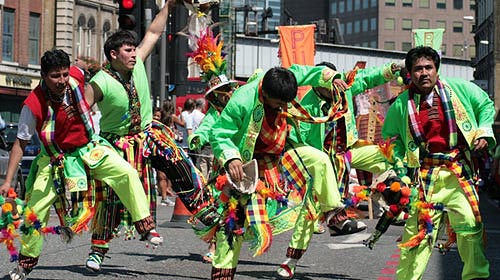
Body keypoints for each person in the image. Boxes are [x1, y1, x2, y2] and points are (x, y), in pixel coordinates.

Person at [0, 49, 162, 280]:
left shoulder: (76, 76)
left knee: (126, 172)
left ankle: (145, 226)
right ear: (43, 75)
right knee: (34, 211)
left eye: (65, 74)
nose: (62, 80)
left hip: (88, 149)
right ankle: (25, 263)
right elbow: (20, 143)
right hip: (55, 159)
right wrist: (8, 181)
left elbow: (85, 65)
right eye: (56, 76)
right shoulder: (33, 103)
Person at [84, 0, 219, 272]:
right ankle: (98, 251)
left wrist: (169, 5)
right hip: (117, 143)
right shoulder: (100, 82)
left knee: (180, 163)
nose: (134, 54)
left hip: (148, 134)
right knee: (110, 199)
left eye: (134, 49)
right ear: (113, 54)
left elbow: (154, 32)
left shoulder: (138, 63)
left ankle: (209, 214)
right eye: (127, 50)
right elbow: (82, 114)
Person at [208, 65, 354, 279]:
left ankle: (333, 214)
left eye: (286, 102)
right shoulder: (242, 100)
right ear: (265, 94)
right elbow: (219, 132)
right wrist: (231, 157)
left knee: (320, 159)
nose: (284, 107)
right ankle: (222, 275)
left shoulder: (286, 79)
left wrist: (332, 78)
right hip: (247, 165)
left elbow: (312, 71)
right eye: (279, 103)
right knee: (232, 225)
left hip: (281, 154)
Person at [277, 60, 402, 279]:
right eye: (325, 82)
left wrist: (393, 68)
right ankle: (291, 262)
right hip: (323, 162)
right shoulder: (306, 105)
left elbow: (370, 77)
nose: (332, 87)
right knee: (310, 212)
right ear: (316, 82)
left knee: (389, 156)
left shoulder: (345, 85)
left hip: (348, 152)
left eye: (334, 80)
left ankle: (395, 199)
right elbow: (302, 142)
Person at [382, 46, 494, 280]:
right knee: (417, 235)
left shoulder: (459, 89)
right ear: (410, 74)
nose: (423, 73)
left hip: (458, 173)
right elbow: (392, 140)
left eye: (428, 67)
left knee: (470, 229)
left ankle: (476, 277)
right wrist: (399, 169)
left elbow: (485, 104)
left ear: (436, 69)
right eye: (417, 69)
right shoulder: (402, 104)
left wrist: (483, 132)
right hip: (425, 177)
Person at [153, 107, 175, 206]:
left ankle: (164, 197)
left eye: (158, 116)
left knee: (163, 176)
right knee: (160, 176)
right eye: (155, 115)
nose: (156, 118)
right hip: (150, 154)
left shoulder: (162, 128)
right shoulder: (149, 127)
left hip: (160, 154)